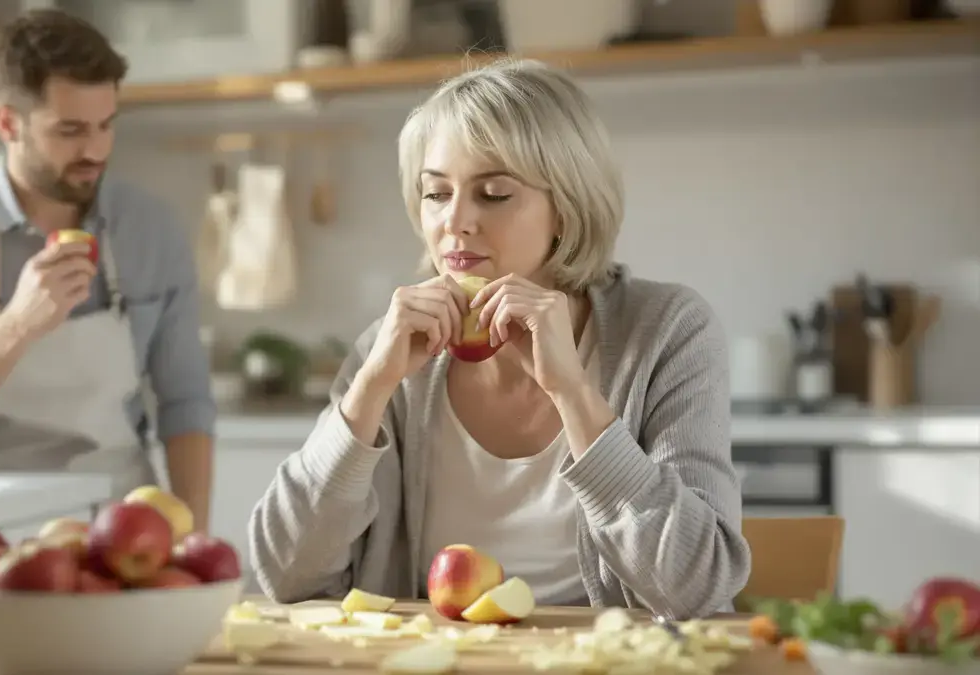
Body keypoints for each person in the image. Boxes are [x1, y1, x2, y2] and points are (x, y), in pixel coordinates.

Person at [248, 59, 750, 619]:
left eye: (492, 194)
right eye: (436, 194)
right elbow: (285, 576)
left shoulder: (667, 330)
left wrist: (574, 395)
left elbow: (699, 587)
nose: (455, 222)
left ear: (566, 207)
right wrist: (369, 390)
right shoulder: (389, 349)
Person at [0, 9, 216, 526]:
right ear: (8, 123)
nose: (95, 150)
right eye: (70, 130)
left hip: (122, 535)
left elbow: (185, 405)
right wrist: (16, 326)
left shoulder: (149, 229)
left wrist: (192, 542)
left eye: (106, 125)